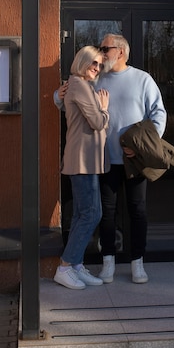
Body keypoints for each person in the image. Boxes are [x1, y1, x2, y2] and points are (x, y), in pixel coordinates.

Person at [55, 34, 166, 284]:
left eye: (106, 49)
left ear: (122, 52)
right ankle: (108, 263)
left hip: (134, 160)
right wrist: (57, 96)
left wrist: (145, 147)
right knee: (106, 213)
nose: (101, 54)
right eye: (100, 50)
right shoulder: (95, 77)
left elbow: (158, 113)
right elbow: (69, 100)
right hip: (104, 160)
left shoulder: (142, 79)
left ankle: (137, 263)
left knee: (137, 211)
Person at [53, 46, 110, 290]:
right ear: (82, 62)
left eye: (99, 64)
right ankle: (65, 267)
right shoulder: (78, 84)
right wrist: (104, 109)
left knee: (81, 214)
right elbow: (97, 122)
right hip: (82, 161)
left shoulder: (82, 86)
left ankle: (75, 265)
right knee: (91, 214)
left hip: (88, 160)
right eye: (93, 63)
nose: (96, 68)